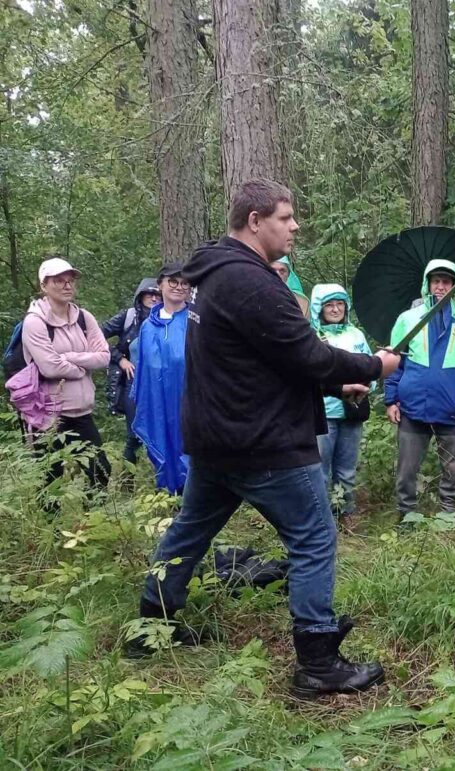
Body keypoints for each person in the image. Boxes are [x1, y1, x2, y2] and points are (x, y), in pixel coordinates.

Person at [128, 179, 402, 701]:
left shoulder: (215, 273)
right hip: (262, 442)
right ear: (255, 221)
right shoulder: (250, 282)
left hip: (217, 439)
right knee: (314, 538)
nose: (295, 226)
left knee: (190, 530)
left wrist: (334, 384)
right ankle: (318, 661)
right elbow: (308, 354)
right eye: (285, 216)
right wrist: (373, 366)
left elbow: (265, 361)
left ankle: (150, 626)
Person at [385, 259, 455, 516]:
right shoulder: (408, 319)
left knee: (452, 468)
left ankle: (448, 513)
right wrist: (391, 399)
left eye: (447, 282)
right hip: (412, 406)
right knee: (407, 468)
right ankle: (406, 514)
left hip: (452, 409)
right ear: (427, 285)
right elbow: (393, 363)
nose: (441, 287)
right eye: (436, 281)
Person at [22, 257, 112, 492]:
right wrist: (83, 366)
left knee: (100, 471)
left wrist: (69, 357)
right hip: (47, 415)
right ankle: (50, 519)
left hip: (82, 412)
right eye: (59, 281)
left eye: (70, 280)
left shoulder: (84, 318)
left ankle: (93, 515)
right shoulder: (34, 322)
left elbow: (104, 356)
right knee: (50, 480)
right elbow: (50, 367)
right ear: (44, 286)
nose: (67, 285)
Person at [310, 283, 373, 519]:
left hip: (353, 410)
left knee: (346, 470)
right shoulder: (312, 336)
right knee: (320, 470)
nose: (335, 309)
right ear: (319, 308)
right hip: (323, 414)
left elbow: (370, 365)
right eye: (329, 305)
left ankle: (345, 515)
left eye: (340, 304)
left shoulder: (356, 335)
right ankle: (320, 518)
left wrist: (368, 386)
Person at [131, 263, 191, 495]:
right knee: (162, 443)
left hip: (188, 398)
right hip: (157, 401)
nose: (178, 287)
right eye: (172, 282)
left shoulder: (195, 320)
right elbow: (144, 367)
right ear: (160, 285)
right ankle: (169, 496)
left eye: (184, 283)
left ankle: (188, 497)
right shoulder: (148, 326)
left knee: (187, 447)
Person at [102, 278, 160, 464]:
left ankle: (162, 477)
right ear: (140, 296)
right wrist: (120, 359)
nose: (154, 298)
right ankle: (128, 477)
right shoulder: (128, 317)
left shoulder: (169, 319)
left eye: (158, 295)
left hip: (160, 383)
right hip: (133, 381)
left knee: (161, 433)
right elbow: (95, 336)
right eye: (149, 294)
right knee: (134, 433)